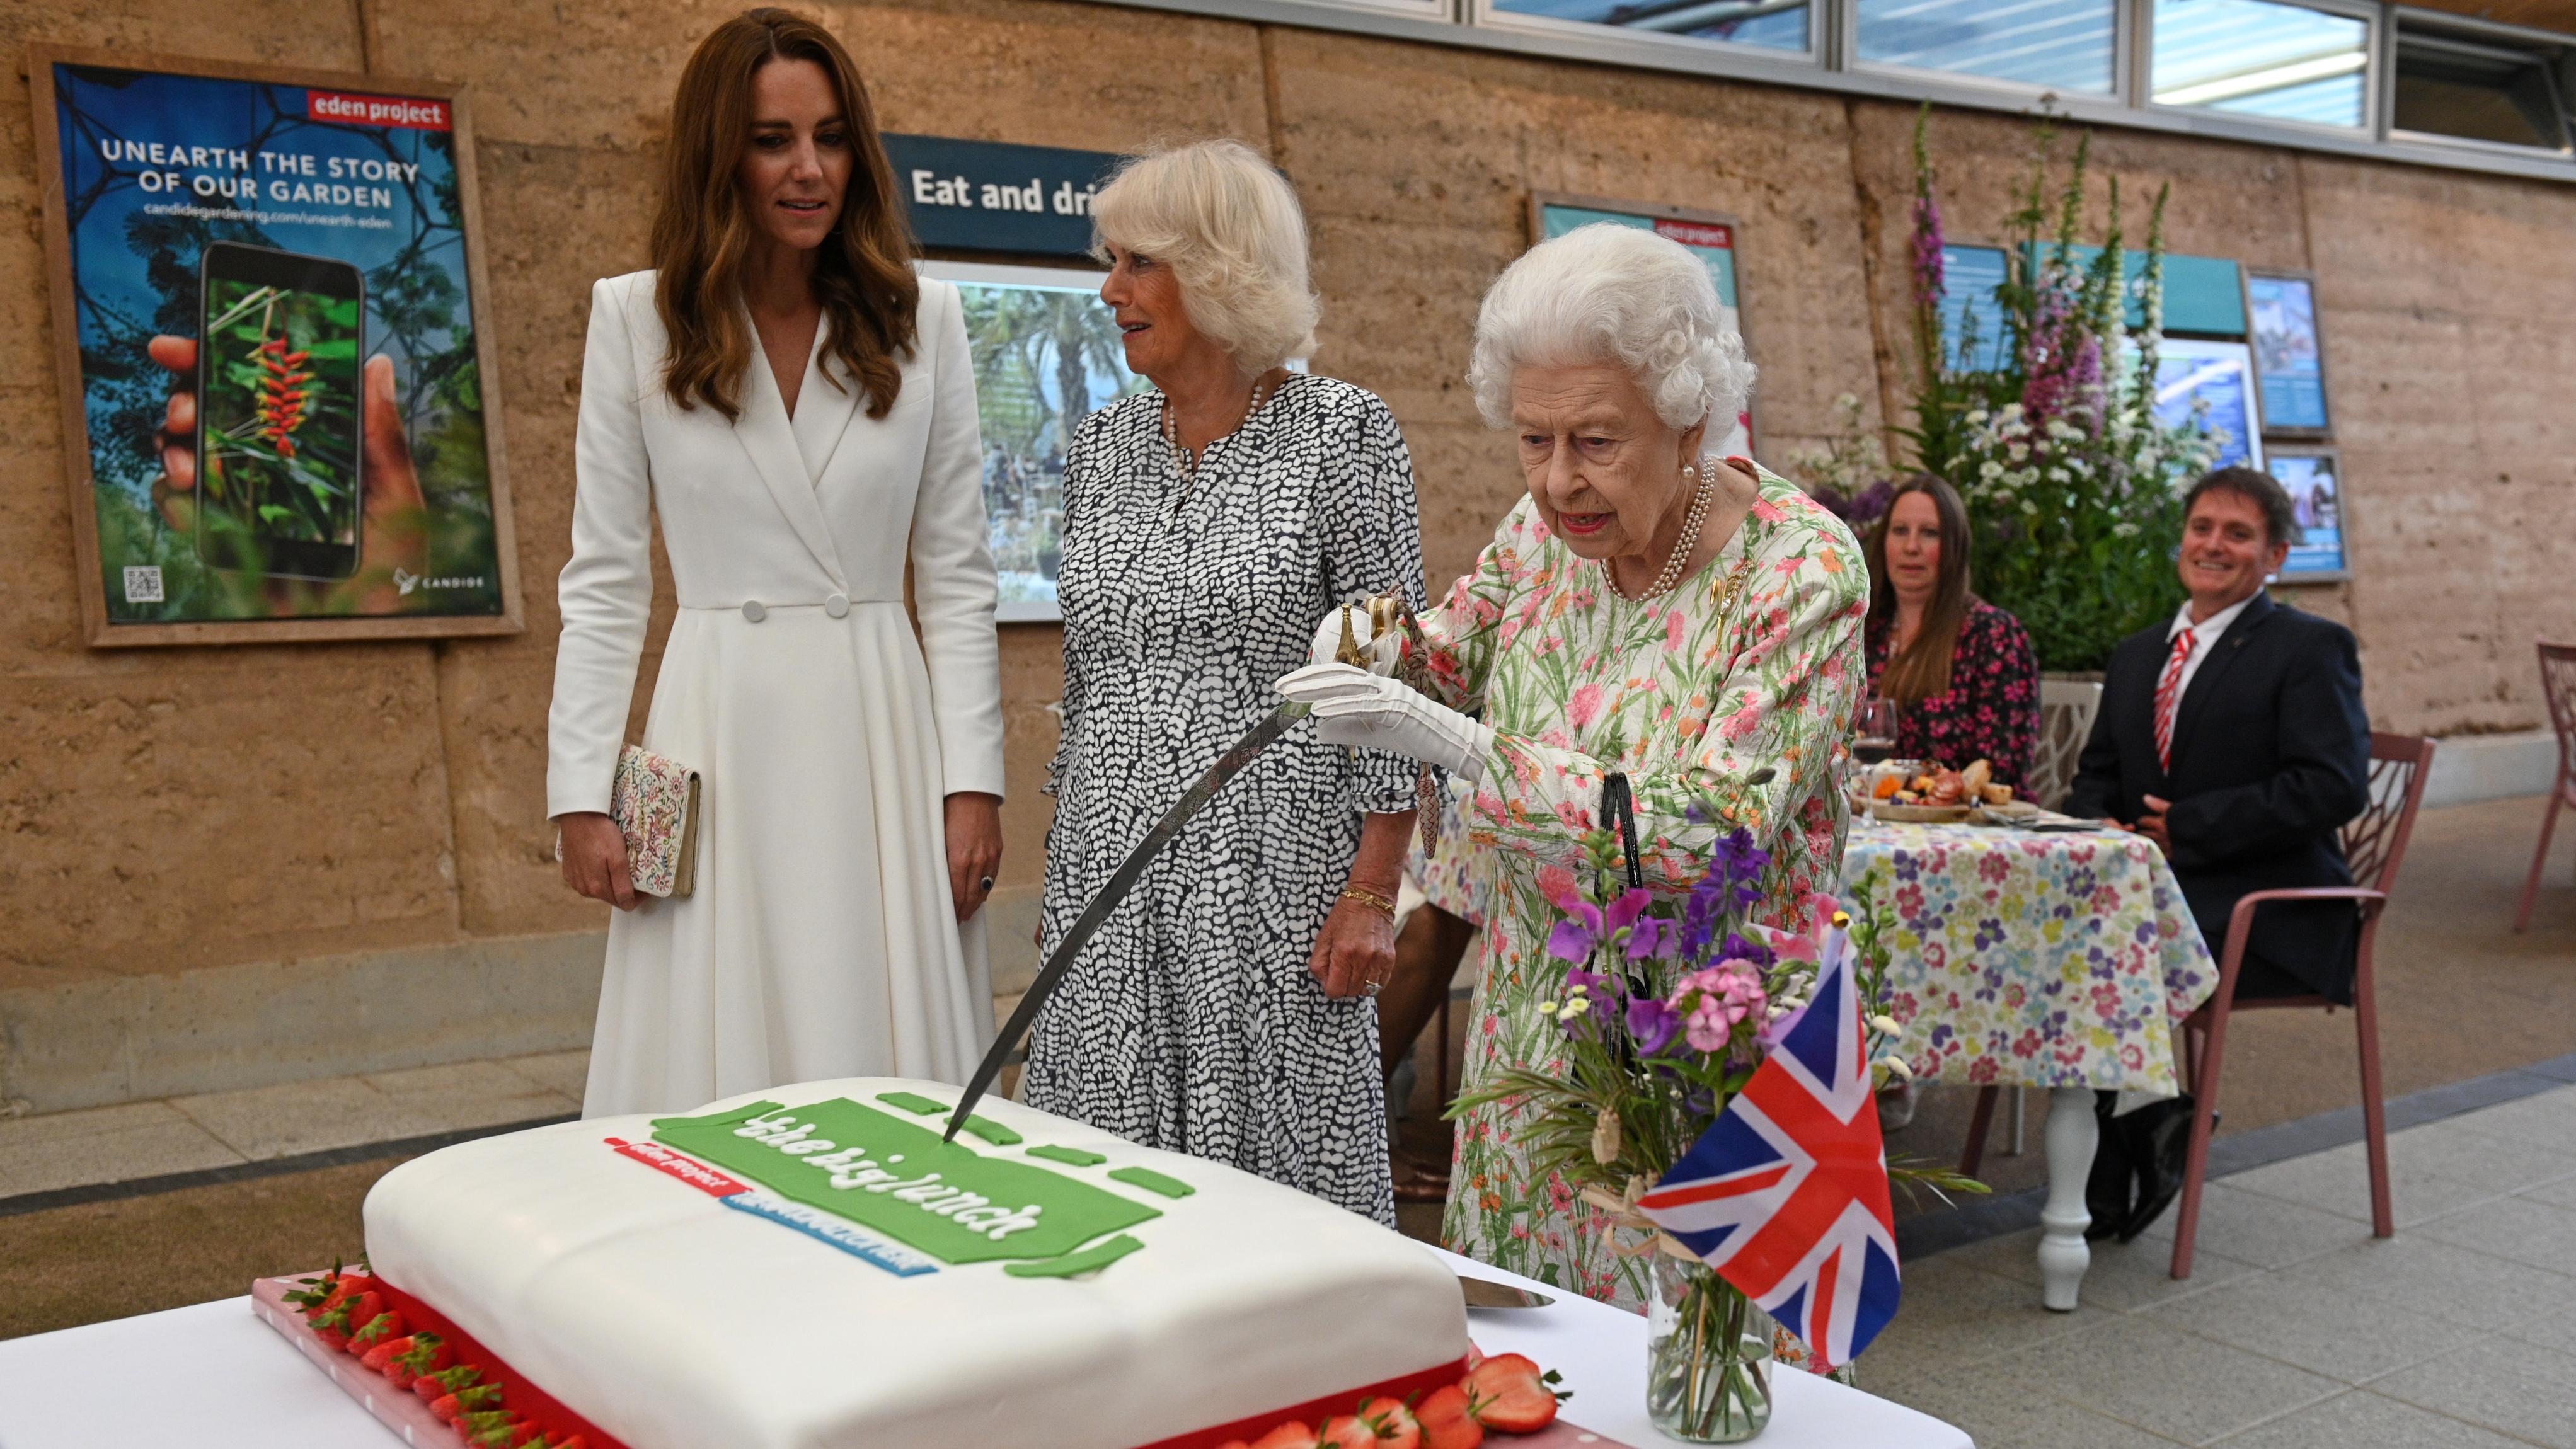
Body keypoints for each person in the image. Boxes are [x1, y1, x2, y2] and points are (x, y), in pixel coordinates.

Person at [1279, 222, 1868, 1305]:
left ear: (1688, 419)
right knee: (1531, 1358)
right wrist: (1362, 639)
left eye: (1595, 441)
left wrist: (1455, 746)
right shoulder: (1543, 529)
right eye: (1531, 440)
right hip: (1535, 1031)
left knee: (1697, 1375)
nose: (1557, 483)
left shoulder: (1801, 569)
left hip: (1707, 1044)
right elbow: (1450, 649)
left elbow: (1710, 826)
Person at [547, 9, 1004, 1117]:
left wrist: (971, 782)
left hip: (879, 730)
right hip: (716, 723)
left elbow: (954, 574)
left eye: (832, 137)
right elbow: (605, 579)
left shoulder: (921, 319)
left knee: (884, 1042)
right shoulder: (635, 319)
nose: (810, 169)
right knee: (713, 1061)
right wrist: (579, 791)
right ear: (719, 157)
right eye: (772, 140)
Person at [1021, 140, 1425, 1225]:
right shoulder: (1102, 447)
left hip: (1271, 883)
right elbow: (1090, 666)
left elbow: (1385, 677)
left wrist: (1374, 890)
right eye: (1111, 263)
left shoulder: (1343, 434)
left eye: (1136, 264)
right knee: (1105, 1188)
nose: (1110, 291)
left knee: (1270, 1196)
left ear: (1218, 269)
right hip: (1108, 870)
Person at [2066, 466, 2369, 1240]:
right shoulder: (2139, 655)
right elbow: (2096, 774)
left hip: (2267, 909)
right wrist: (2104, 825)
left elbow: (2332, 786)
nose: (2212, 545)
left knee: (2102, 949)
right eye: (2201, 527)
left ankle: (2113, 1161)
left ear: (2274, 556)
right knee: (2055, 933)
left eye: (2237, 533)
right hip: (2154, 901)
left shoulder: (2309, 647)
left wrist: (2189, 825)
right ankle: (2143, 1126)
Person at [1863, 473, 2040, 788]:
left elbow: (2002, 772)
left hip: (1964, 826)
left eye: (1930, 533)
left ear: (1955, 546)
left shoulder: (1992, 635)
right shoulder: (1865, 632)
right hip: (1872, 819)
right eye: (1900, 531)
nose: (1911, 546)